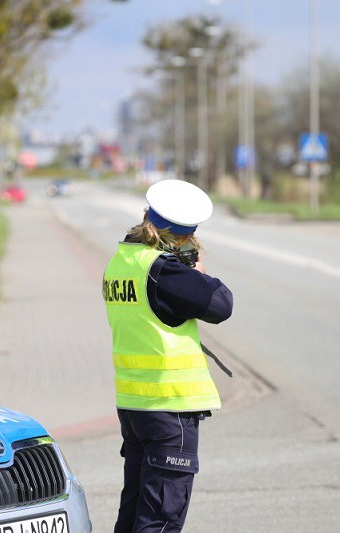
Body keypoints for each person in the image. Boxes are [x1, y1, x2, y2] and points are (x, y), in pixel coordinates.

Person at [103, 179, 233, 533]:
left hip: (134, 406)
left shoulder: (122, 261)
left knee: (133, 513)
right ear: (187, 236)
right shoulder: (163, 271)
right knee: (160, 519)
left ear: (146, 215)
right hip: (169, 409)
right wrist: (198, 273)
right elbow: (221, 305)